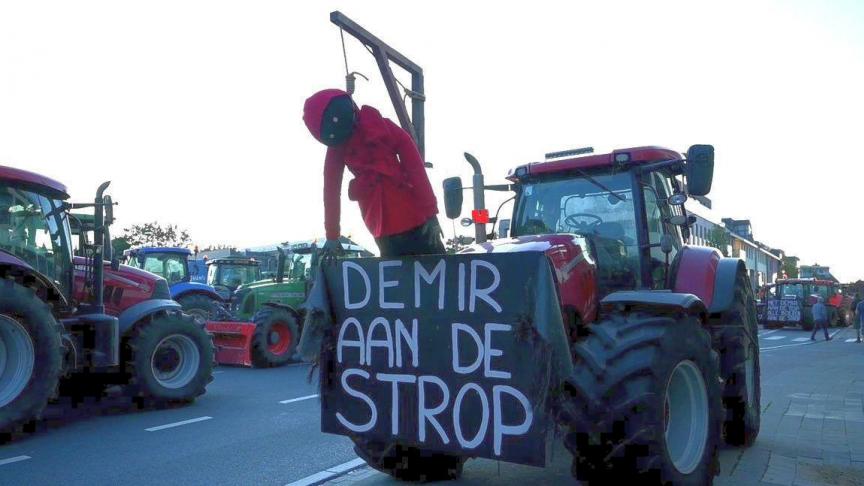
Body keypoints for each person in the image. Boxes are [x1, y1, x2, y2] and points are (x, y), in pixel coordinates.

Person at [303, 89, 444, 258]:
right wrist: (430, 213)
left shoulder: (339, 147)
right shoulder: (383, 126)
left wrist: (332, 235)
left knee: (405, 276)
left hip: (389, 220)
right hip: (403, 218)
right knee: (437, 273)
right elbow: (416, 170)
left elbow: (331, 192)